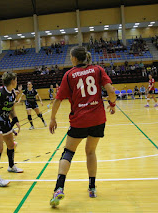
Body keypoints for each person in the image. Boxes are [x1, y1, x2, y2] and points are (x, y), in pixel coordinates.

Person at [49, 46, 116, 207]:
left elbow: (58, 100)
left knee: (68, 152)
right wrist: (112, 103)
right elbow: (111, 90)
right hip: (98, 118)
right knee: (91, 151)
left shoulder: (69, 74)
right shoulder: (98, 70)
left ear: (73, 58)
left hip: (79, 120)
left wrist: (52, 118)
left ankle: (59, 189)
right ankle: (92, 187)